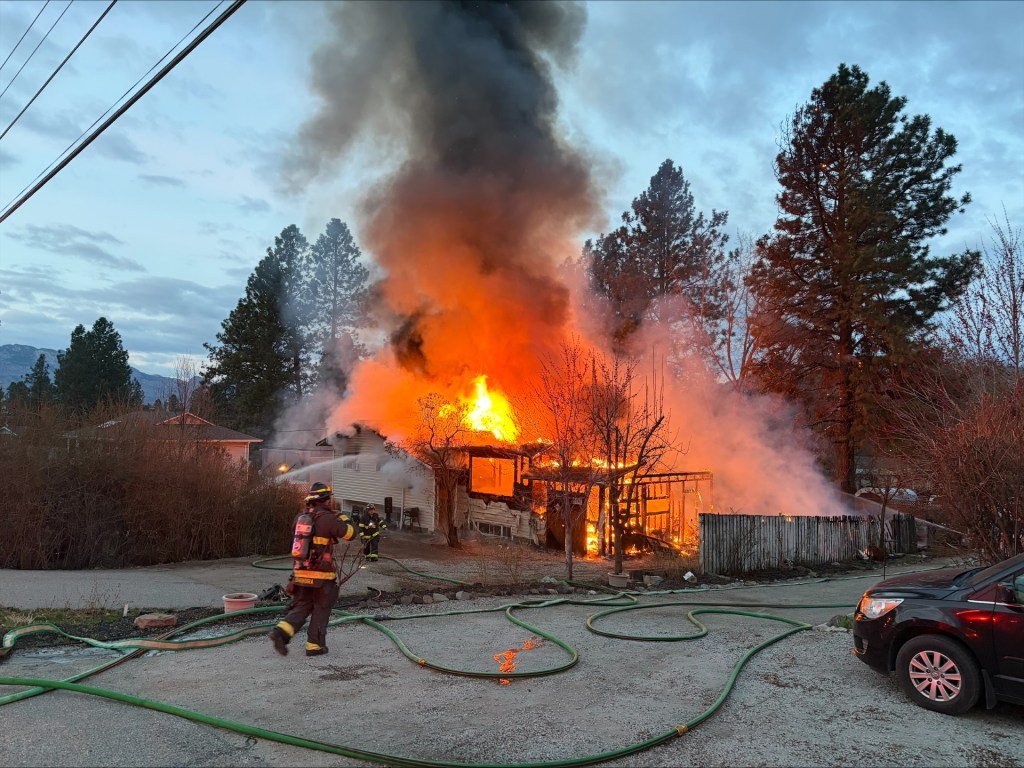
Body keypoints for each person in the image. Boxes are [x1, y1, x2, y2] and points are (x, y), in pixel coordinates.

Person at [268, 482, 356, 657]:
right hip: (321, 576)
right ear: (325, 500)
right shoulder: (328, 519)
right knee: (321, 607)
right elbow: (350, 534)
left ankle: (280, 632)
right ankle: (314, 645)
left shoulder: (300, 518)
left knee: (302, 606)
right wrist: (344, 518)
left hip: (300, 573)